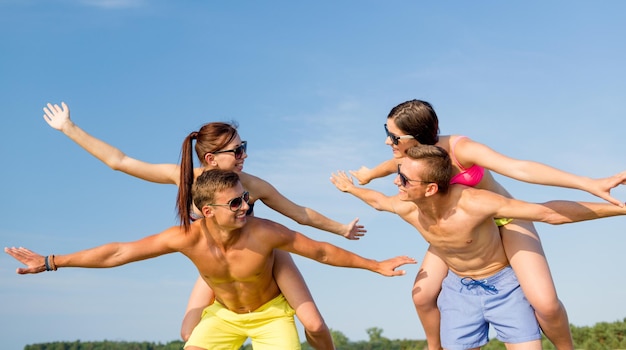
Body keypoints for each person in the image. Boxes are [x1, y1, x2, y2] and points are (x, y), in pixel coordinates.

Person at [43, 102, 366, 349]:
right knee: (189, 333)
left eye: (244, 147)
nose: (244, 155)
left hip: (262, 256)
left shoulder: (254, 185)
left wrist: (341, 229)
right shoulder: (185, 177)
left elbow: (299, 214)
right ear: (211, 159)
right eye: (237, 151)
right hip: (219, 264)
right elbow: (120, 162)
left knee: (312, 322)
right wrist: (69, 128)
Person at [6, 169, 416, 350]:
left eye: (246, 198)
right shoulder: (185, 237)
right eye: (235, 202)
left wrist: (374, 265)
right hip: (222, 316)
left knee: (311, 326)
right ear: (208, 211)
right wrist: (52, 260)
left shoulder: (264, 231)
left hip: (272, 315)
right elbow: (119, 252)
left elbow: (321, 251)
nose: (245, 206)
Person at [347, 99, 626, 349]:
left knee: (546, 304)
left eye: (391, 136)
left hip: (503, 218)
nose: (387, 142)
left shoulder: (460, 149)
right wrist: (369, 174)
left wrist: (588, 183)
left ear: (414, 137)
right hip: (460, 229)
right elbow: (391, 166)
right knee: (423, 297)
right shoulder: (409, 157)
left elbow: (520, 168)